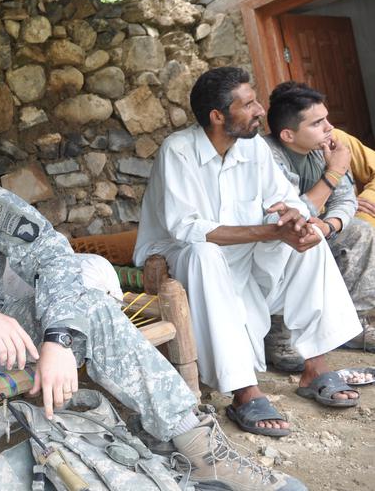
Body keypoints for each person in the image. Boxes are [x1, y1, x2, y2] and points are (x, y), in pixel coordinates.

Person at [0, 111, 307, 491]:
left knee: (90, 304)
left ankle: (200, 450)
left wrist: (58, 337)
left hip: (7, 343)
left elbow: (51, 255)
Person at [135, 67, 361, 442]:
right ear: (218, 116)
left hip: (245, 256)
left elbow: (285, 200)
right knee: (203, 253)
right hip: (184, 261)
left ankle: (315, 367)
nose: (260, 109)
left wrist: (293, 221)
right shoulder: (179, 150)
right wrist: (272, 231)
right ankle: (243, 392)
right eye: (250, 103)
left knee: (308, 239)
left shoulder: (253, 146)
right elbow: (189, 228)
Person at [264, 81, 375, 354]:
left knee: (361, 231)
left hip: (316, 228)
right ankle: (282, 333)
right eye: (317, 123)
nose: (329, 128)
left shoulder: (323, 147)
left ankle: (353, 323)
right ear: (288, 135)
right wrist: (333, 172)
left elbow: (345, 198)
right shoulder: (267, 156)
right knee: (296, 238)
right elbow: (291, 213)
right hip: (275, 237)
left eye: (326, 119)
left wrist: (330, 225)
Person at [331, 127, 375, 227]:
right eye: (317, 122)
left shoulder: (335, 137)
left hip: (357, 213)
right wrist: (345, 206)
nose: (329, 126)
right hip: (324, 226)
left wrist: (369, 196)